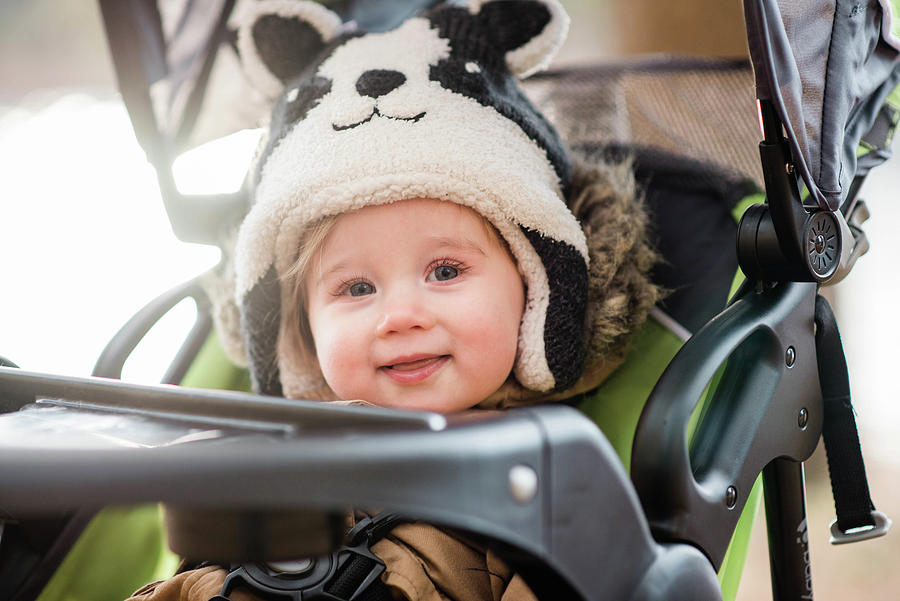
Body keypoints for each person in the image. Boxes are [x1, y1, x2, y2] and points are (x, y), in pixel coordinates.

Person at [127, 0, 659, 599]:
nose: (401, 317)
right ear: (298, 328)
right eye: (357, 288)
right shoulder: (268, 456)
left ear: (536, 289)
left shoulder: (553, 484)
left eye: (445, 270)